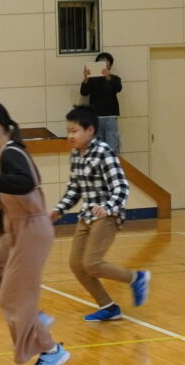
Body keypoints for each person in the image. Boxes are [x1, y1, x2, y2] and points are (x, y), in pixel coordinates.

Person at [0, 102, 67, 365]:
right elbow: (19, 190)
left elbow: (23, 184)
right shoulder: (7, 154)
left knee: (13, 299)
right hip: (15, 228)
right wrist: (0, 214)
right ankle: (32, 317)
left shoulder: (12, 152)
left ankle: (51, 350)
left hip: (31, 233)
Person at [56, 104, 148, 322]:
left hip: (107, 215)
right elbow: (75, 189)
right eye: (68, 131)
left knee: (92, 263)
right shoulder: (76, 155)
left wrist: (107, 207)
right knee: (76, 264)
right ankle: (108, 306)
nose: (70, 136)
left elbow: (122, 187)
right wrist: (58, 209)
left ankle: (136, 278)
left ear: (90, 130)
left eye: (74, 131)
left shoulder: (104, 152)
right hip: (87, 215)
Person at [79, 52, 123, 153]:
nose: (103, 63)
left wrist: (108, 77)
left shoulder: (115, 78)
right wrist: (86, 78)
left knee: (112, 148)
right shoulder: (92, 79)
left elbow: (118, 88)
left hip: (111, 117)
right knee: (96, 149)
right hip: (96, 117)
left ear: (110, 65)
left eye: (105, 61)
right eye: (100, 61)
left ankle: (111, 167)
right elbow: (84, 92)